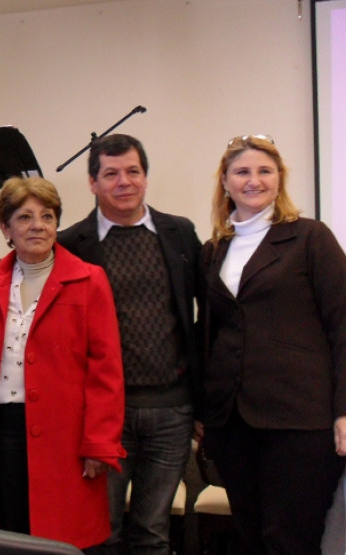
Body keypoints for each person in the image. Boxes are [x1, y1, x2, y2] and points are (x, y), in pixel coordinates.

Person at [200, 135, 346, 553]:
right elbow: (209, 333)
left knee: (289, 540)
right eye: (242, 172)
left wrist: (344, 410)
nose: (254, 180)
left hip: (300, 421)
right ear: (225, 182)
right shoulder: (214, 251)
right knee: (250, 535)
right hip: (232, 423)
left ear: (279, 180)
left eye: (265, 171)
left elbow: (342, 325)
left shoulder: (310, 238)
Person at [58, 133, 202, 554]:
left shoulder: (180, 234)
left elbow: (205, 318)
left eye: (133, 171)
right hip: (103, 415)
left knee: (153, 532)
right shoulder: (71, 245)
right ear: (92, 182)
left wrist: (203, 404)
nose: (124, 182)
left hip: (172, 411)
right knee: (102, 532)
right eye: (111, 173)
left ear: (145, 176)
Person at [0, 176, 125, 551]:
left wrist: (100, 443)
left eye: (47, 216)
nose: (37, 225)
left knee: (58, 539)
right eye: (24, 217)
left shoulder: (89, 280)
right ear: (5, 228)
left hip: (66, 435)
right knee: (7, 534)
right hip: (3, 429)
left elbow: (106, 369)